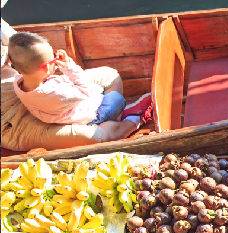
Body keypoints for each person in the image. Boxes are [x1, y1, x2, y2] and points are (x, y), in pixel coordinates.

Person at [1, 27, 150, 153]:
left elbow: (18, 43)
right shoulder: (57, 93)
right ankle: (134, 118)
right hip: (11, 124)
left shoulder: (18, 81)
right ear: (46, 67)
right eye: (53, 59)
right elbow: (87, 91)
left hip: (44, 101)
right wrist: (68, 66)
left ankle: (115, 118)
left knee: (109, 76)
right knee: (99, 133)